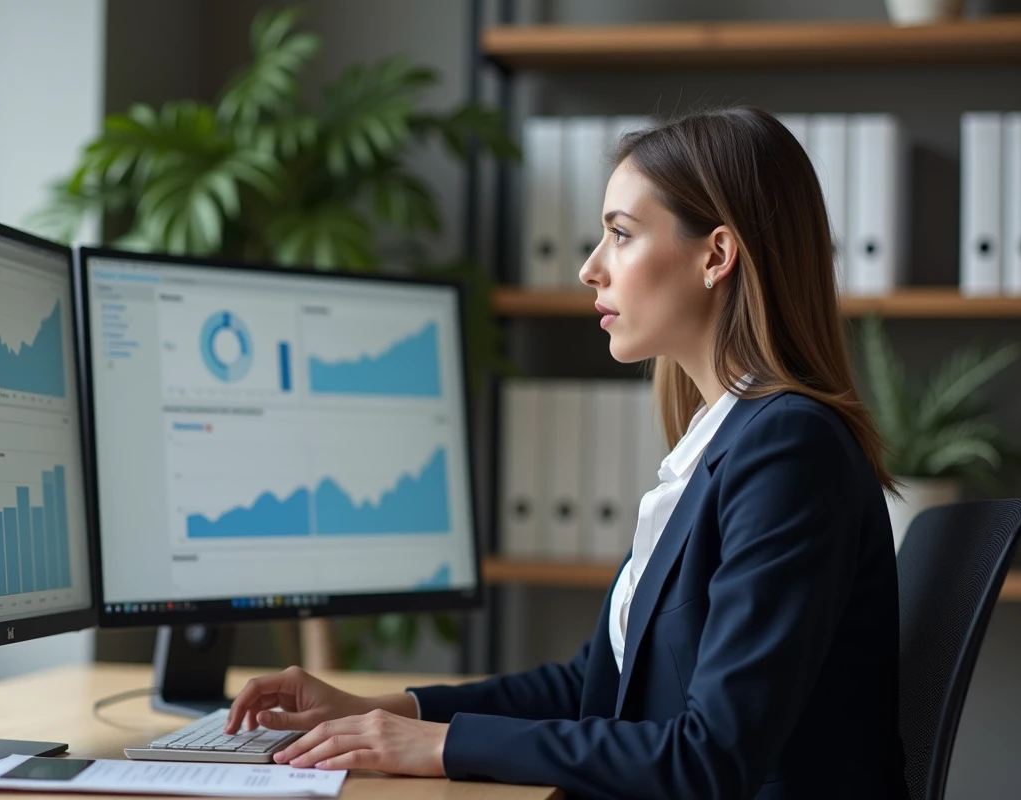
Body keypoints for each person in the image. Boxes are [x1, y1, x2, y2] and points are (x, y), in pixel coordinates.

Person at [223, 105, 909, 800]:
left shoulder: (789, 450)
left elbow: (711, 758)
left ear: (716, 256)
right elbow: (590, 683)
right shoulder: (722, 441)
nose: (589, 269)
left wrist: (440, 748)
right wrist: (386, 713)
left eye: (620, 236)